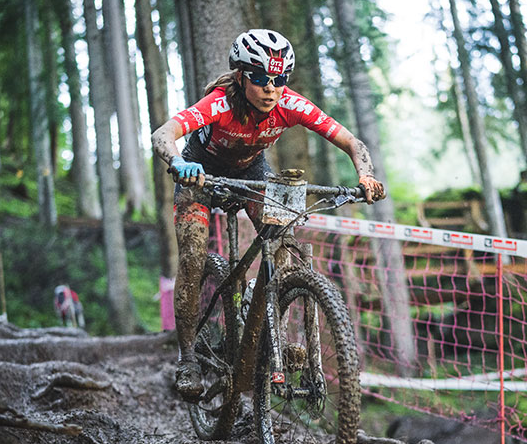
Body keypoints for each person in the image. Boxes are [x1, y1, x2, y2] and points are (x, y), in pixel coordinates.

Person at [152, 29, 386, 401]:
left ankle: (266, 327)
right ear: (242, 76)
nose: (271, 89)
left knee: (283, 240)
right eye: (260, 79)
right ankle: (188, 359)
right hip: (200, 173)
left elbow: (351, 142)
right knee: (194, 257)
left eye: (279, 80)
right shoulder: (219, 104)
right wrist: (179, 162)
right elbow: (164, 134)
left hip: (251, 172)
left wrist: (366, 175)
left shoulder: (291, 104)